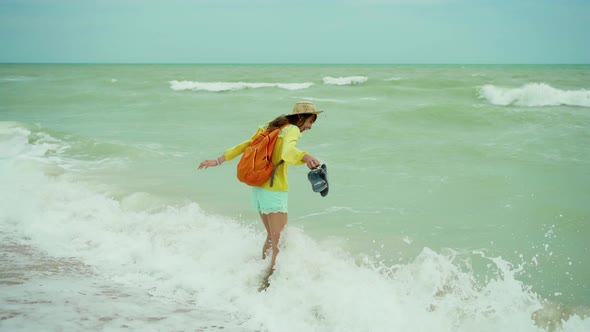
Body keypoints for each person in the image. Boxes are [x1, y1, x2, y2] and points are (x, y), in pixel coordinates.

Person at [198, 101, 323, 290]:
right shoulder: (292, 131)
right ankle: (268, 283)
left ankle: (259, 272)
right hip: (275, 190)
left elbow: (247, 145)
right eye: (310, 121)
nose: (310, 126)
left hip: (258, 188)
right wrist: (305, 156)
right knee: (280, 241)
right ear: (301, 118)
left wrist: (218, 160)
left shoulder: (270, 126)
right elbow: (288, 152)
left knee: (272, 238)